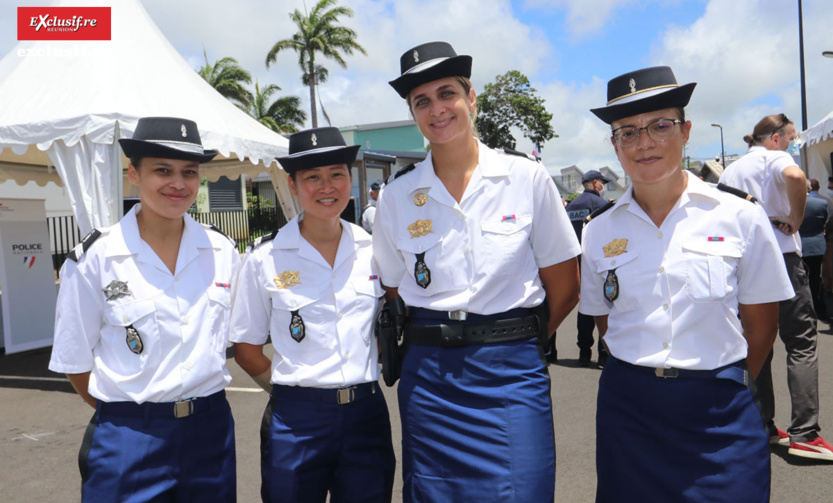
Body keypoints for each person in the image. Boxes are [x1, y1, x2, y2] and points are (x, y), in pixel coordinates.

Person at [376, 41, 581, 501]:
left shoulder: (525, 178)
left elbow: (566, 285)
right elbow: (393, 288)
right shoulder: (396, 197)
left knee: (523, 490)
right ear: (413, 114)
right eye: (421, 101)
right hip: (429, 378)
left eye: (446, 93)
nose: (437, 109)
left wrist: (516, 338)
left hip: (511, 370)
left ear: (471, 98)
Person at [582, 66, 793, 501]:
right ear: (615, 146)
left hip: (720, 413)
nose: (644, 143)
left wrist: (720, 380)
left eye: (660, 126)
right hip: (630, 415)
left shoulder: (740, 215)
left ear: (686, 131)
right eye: (627, 132)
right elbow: (606, 321)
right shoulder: (598, 230)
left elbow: (762, 325)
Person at [48, 117, 239, 502]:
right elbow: (75, 360)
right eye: (162, 170)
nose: (178, 183)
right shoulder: (96, 258)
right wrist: (130, 412)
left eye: (189, 172)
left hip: (210, 431)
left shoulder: (222, 251)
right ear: (133, 174)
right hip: (129, 435)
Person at [230, 127, 395, 503]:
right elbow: (247, 349)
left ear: (349, 180)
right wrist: (291, 395)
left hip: (366, 415)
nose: (327, 187)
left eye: (336, 174)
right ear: (292, 184)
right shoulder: (265, 258)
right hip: (296, 420)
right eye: (312, 177)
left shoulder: (375, 250)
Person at [720, 113, 833, 460]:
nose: (792, 144)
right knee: (801, 342)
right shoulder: (774, 158)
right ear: (774, 138)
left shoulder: (730, 171)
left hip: (742, 264)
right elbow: (796, 176)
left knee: (758, 341)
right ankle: (805, 432)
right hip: (782, 257)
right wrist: (796, 219)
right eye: (790, 138)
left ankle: (762, 424)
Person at [563, 169, 612, 367]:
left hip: (576, 262)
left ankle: (584, 352)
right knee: (602, 306)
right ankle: (603, 354)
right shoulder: (601, 204)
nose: (603, 186)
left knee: (584, 308)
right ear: (595, 182)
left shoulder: (571, 206)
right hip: (598, 261)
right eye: (602, 183)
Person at [800, 180, 829, 320]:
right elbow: (823, 222)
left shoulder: (789, 204)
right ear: (810, 189)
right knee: (816, 279)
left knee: (799, 281)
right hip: (816, 245)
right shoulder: (821, 203)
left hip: (798, 245)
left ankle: (803, 311)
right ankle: (819, 310)